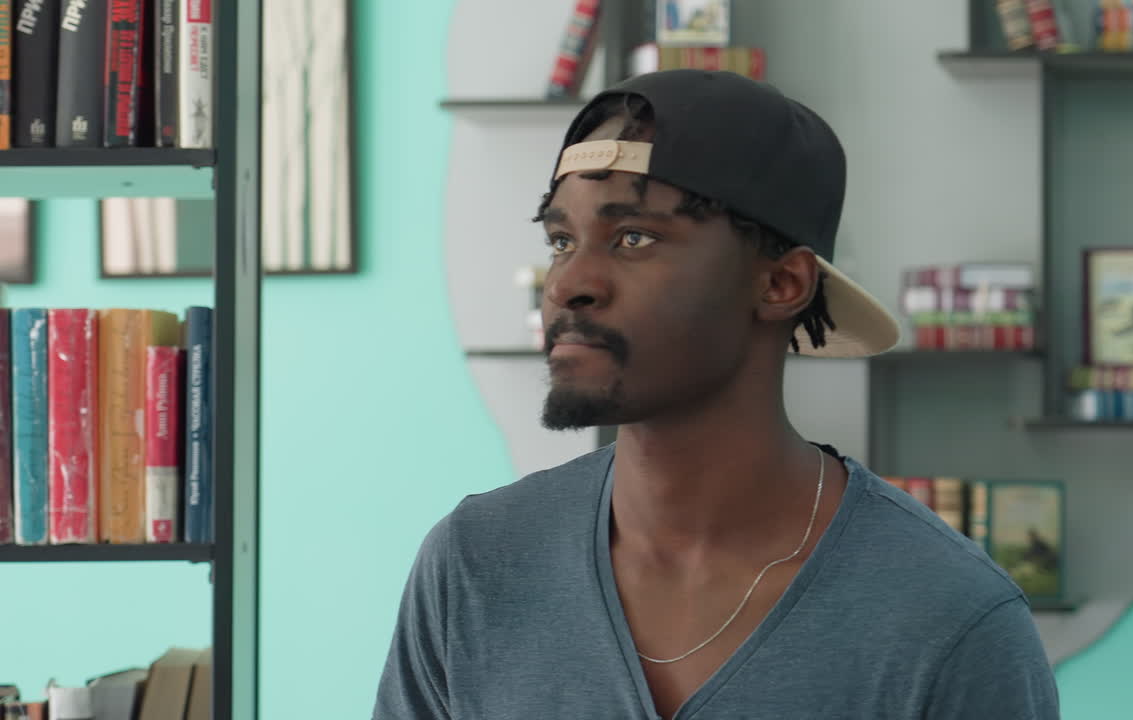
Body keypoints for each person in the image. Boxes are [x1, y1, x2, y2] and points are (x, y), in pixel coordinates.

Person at [373, 69, 1059, 719]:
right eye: (561, 239)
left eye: (633, 237)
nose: (566, 284)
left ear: (781, 284)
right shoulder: (476, 565)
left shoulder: (946, 616)